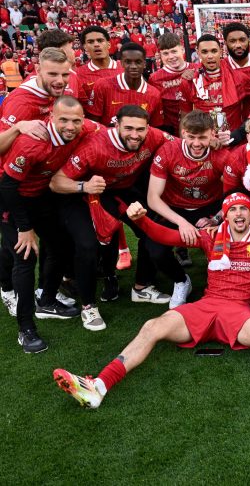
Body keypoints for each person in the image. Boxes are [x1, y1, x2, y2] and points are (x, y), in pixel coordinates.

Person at [52, 193, 250, 409]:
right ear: (225, 215)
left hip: (239, 311)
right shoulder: (211, 237)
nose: (238, 213)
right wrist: (141, 221)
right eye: (233, 209)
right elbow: (166, 235)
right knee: (152, 326)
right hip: (206, 306)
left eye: (243, 209)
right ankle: (99, 386)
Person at [51, 105, 176, 331]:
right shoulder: (94, 146)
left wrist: (213, 143)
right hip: (88, 193)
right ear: (116, 124)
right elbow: (56, 181)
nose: (135, 135)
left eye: (140, 129)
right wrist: (84, 186)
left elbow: (178, 144)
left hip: (123, 189)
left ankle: (142, 287)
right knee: (88, 245)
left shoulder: (154, 136)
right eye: (128, 128)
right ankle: (88, 306)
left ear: (148, 128)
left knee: (154, 227)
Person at [0, 96, 94, 352]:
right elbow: (7, 186)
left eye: (76, 121)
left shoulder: (84, 130)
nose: (70, 126)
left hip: (40, 197)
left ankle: (47, 300)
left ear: (83, 120)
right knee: (26, 256)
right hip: (11, 200)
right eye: (63, 120)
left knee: (61, 244)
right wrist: (24, 227)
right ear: (51, 117)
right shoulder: (32, 142)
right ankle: (26, 329)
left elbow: (108, 131)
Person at [146, 110, 231, 308]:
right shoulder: (168, 151)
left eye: (202, 137)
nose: (196, 143)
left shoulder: (223, 154)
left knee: (229, 246)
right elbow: (153, 198)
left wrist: (217, 218)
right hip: (175, 209)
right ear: (182, 132)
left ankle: (224, 286)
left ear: (212, 134)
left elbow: (235, 195)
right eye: (191, 137)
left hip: (209, 208)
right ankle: (181, 280)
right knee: (155, 250)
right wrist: (182, 222)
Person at [86, 42, 164, 127]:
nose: (133, 66)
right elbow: (93, 124)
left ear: (144, 64)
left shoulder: (154, 94)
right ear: (121, 63)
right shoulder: (103, 85)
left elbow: (154, 129)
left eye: (138, 62)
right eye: (128, 62)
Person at [148, 32, 193, 134]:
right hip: (171, 131)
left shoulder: (197, 69)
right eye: (166, 53)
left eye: (174, 51)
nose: (171, 57)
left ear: (182, 50)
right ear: (160, 55)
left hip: (197, 128)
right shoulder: (155, 78)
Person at [75, 26, 120, 107]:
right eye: (90, 42)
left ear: (108, 44)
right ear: (85, 47)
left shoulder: (125, 69)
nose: (96, 44)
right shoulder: (78, 74)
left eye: (100, 40)